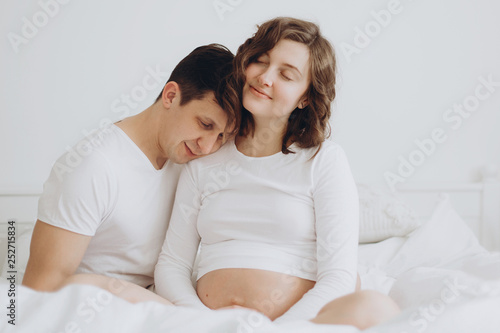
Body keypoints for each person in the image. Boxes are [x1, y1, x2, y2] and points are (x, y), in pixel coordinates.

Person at [154, 17, 401, 329]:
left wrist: (277, 329)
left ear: (306, 97)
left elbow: (337, 276)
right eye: (260, 61)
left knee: (376, 307)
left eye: (286, 75)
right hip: (209, 322)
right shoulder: (206, 157)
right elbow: (172, 264)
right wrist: (200, 321)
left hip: (297, 325)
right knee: (102, 290)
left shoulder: (324, 161)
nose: (265, 77)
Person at [22, 44, 240, 299]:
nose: (207, 146)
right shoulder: (93, 166)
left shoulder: (191, 162)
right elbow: (40, 289)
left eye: (222, 137)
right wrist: (142, 300)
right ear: (170, 96)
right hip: (85, 311)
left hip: (148, 305)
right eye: (205, 124)